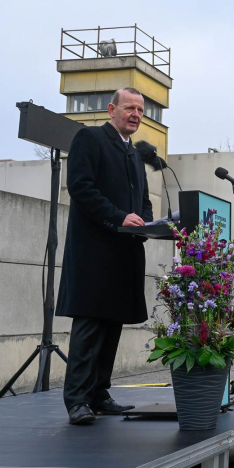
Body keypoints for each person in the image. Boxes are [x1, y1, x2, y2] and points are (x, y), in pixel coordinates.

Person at [56, 87, 153, 425]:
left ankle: (99, 393)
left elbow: (143, 201)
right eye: (129, 108)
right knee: (90, 324)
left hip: (124, 254)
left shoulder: (135, 155)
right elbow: (81, 187)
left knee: (111, 324)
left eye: (140, 110)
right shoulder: (90, 139)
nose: (136, 115)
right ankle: (77, 400)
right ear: (112, 109)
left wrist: (146, 224)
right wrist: (117, 217)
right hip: (94, 253)